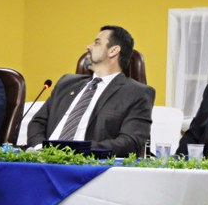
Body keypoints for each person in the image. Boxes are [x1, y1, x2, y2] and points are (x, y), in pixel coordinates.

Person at [27, 25, 155, 157]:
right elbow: (38, 122)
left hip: (88, 163)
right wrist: (39, 148)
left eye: (97, 43)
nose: (88, 47)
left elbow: (130, 142)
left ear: (113, 51)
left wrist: (76, 150)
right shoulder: (66, 83)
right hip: (41, 159)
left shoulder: (136, 93)